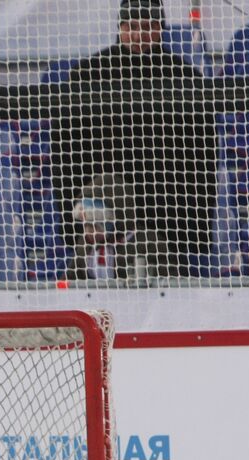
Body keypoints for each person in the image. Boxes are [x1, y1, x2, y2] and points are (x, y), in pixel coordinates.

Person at [50, 0, 216, 278]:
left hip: (164, 220)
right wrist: (74, 225)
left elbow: (201, 160)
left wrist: (194, 232)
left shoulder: (186, 78)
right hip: (101, 217)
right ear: (120, 27)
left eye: (149, 26)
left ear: (161, 29)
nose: (140, 35)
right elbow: (65, 154)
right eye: (132, 26)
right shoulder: (86, 75)